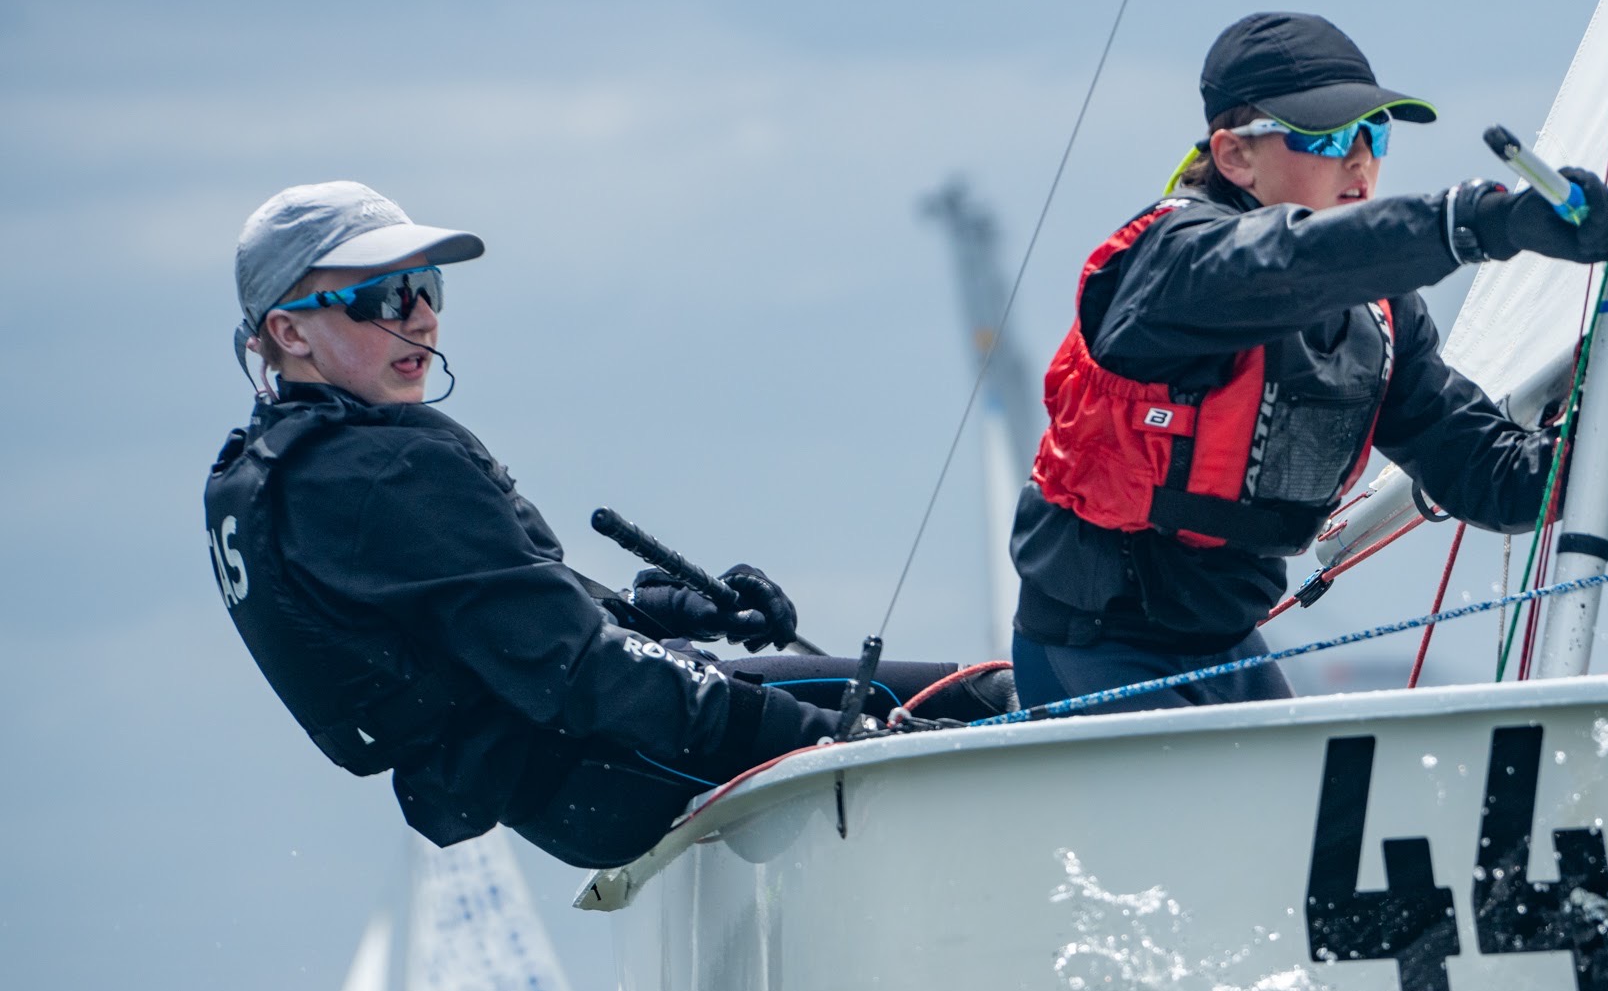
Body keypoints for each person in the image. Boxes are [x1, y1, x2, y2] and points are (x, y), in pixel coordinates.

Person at [206, 182, 1007, 869]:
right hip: (612, 760)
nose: (418, 318)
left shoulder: (287, 467)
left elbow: (508, 619)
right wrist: (837, 736)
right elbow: (581, 672)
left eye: (426, 288)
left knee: (950, 697)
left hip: (578, 782)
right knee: (988, 695)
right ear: (289, 330)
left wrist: (681, 610)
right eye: (381, 297)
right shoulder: (376, 474)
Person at [1010, 12, 1608, 712]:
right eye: (1329, 138)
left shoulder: (1380, 320)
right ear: (1235, 156)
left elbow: (1503, 482)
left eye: (1376, 136)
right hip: (1093, 648)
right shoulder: (1175, 264)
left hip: (1224, 649)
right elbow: (1287, 262)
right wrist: (1482, 220)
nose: (1363, 161)